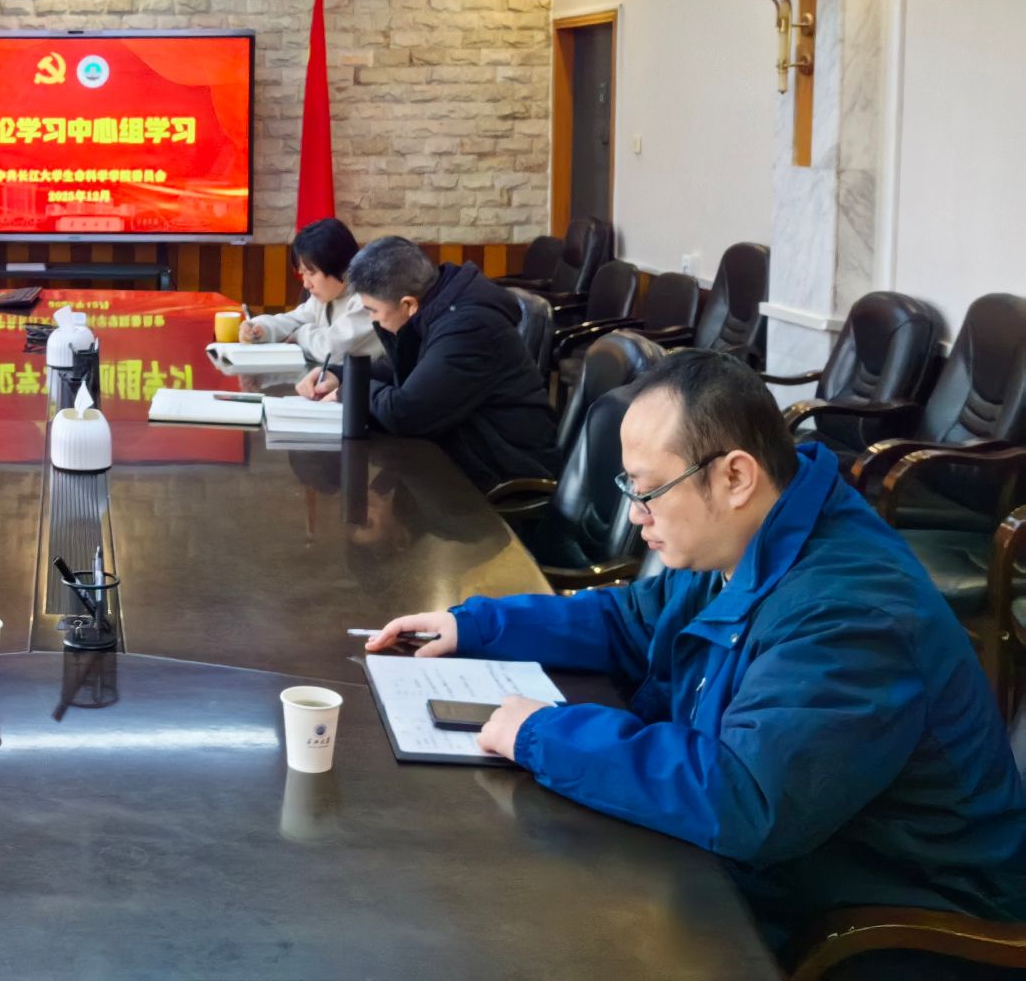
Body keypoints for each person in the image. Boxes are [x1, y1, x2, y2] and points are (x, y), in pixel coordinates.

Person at [367, 351, 1026, 964]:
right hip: (784, 867)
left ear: (735, 476)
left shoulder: (849, 613)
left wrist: (542, 733)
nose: (636, 515)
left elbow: (746, 800)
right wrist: (476, 625)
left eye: (648, 490)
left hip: (896, 927)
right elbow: (634, 619)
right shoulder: (751, 535)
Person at [302, 235, 555, 488]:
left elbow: (406, 414)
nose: (373, 320)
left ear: (408, 304)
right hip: (465, 453)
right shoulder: (439, 303)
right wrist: (341, 375)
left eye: (373, 311)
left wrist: (352, 391)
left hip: (505, 470)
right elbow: (401, 370)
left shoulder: (468, 327)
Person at [239, 217, 380, 363]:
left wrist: (299, 335)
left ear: (338, 264)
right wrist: (261, 327)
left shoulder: (370, 301)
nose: (306, 284)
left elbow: (330, 349)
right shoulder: (327, 296)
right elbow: (294, 320)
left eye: (311, 273)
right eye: (302, 274)